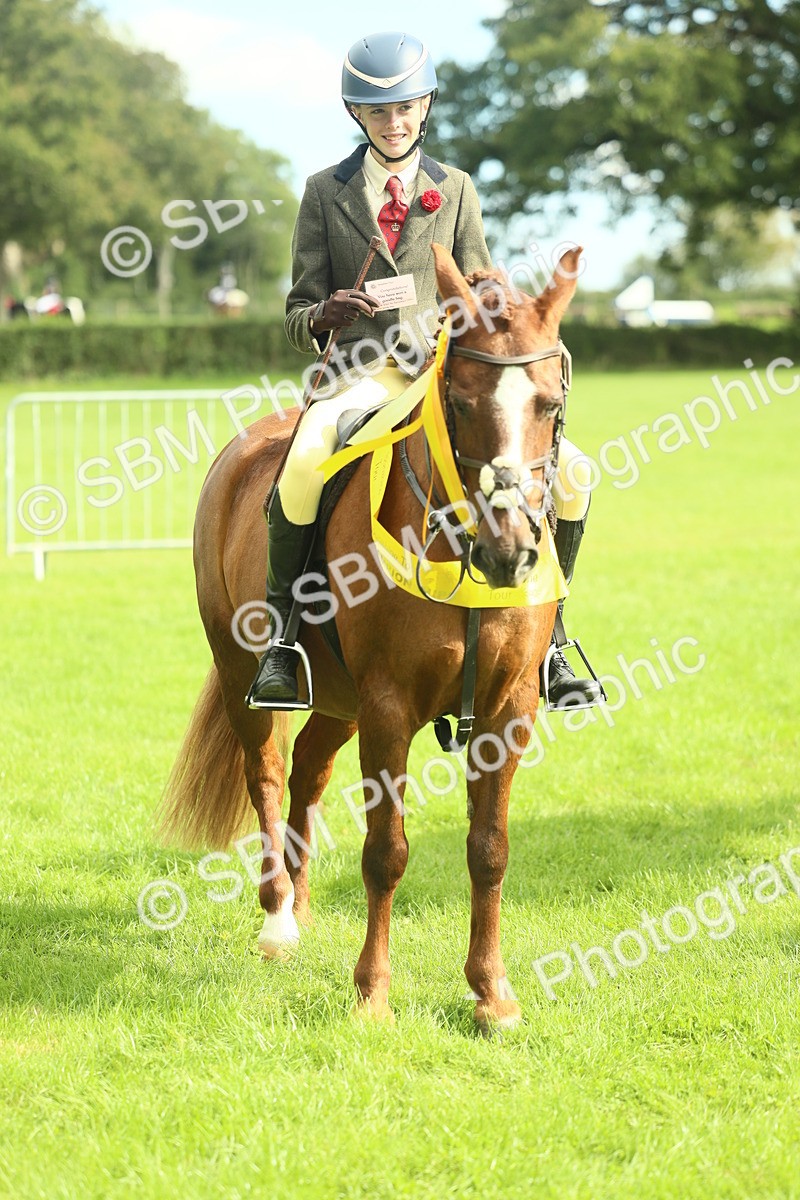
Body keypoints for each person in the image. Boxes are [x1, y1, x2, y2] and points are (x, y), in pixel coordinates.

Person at [246, 31, 602, 711]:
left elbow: (480, 279)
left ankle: (555, 641)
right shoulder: (325, 193)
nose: (395, 121)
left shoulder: (456, 188)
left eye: (407, 107)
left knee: (576, 474)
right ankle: (282, 642)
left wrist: (493, 293)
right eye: (379, 111)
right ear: (358, 116)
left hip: (442, 373)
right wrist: (325, 312)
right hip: (360, 375)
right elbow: (294, 317)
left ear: (426, 105)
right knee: (304, 459)